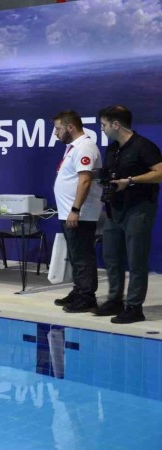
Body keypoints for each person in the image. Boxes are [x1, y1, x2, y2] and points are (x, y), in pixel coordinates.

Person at [94, 105, 162, 324]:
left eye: (103, 125)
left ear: (116, 124)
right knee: (111, 257)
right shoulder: (112, 149)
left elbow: (160, 172)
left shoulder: (144, 146)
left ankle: (134, 307)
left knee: (136, 259)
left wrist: (131, 181)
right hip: (115, 208)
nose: (102, 129)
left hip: (139, 208)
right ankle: (115, 300)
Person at [51, 111, 103, 313]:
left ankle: (87, 297)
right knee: (75, 255)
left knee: (82, 256)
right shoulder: (73, 147)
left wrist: (75, 209)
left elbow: (85, 180)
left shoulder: (85, 147)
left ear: (70, 127)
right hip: (69, 212)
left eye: (58, 128)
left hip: (80, 213)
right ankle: (79, 290)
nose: (55, 133)